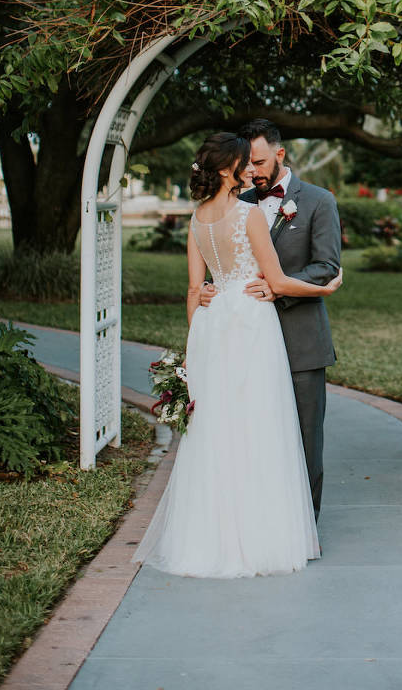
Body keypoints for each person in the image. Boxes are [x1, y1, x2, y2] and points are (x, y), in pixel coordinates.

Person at [133, 132, 342, 579]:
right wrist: (326, 287)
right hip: (251, 325)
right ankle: (262, 538)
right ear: (230, 167)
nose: (252, 169)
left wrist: (200, 339)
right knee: (260, 429)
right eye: (246, 163)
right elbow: (279, 282)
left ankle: (213, 538)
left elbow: (193, 291)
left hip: (213, 328)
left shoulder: (196, 218)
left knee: (218, 432)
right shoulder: (248, 215)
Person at [198, 119, 341, 520]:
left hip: (300, 341)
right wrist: (211, 287)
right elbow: (225, 259)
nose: (253, 172)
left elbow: (327, 266)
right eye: (248, 164)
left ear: (280, 154)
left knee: (305, 439)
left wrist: (279, 286)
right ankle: (261, 525)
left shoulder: (318, 201)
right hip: (243, 340)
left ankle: (304, 528)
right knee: (251, 437)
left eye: (259, 162)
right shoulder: (234, 203)